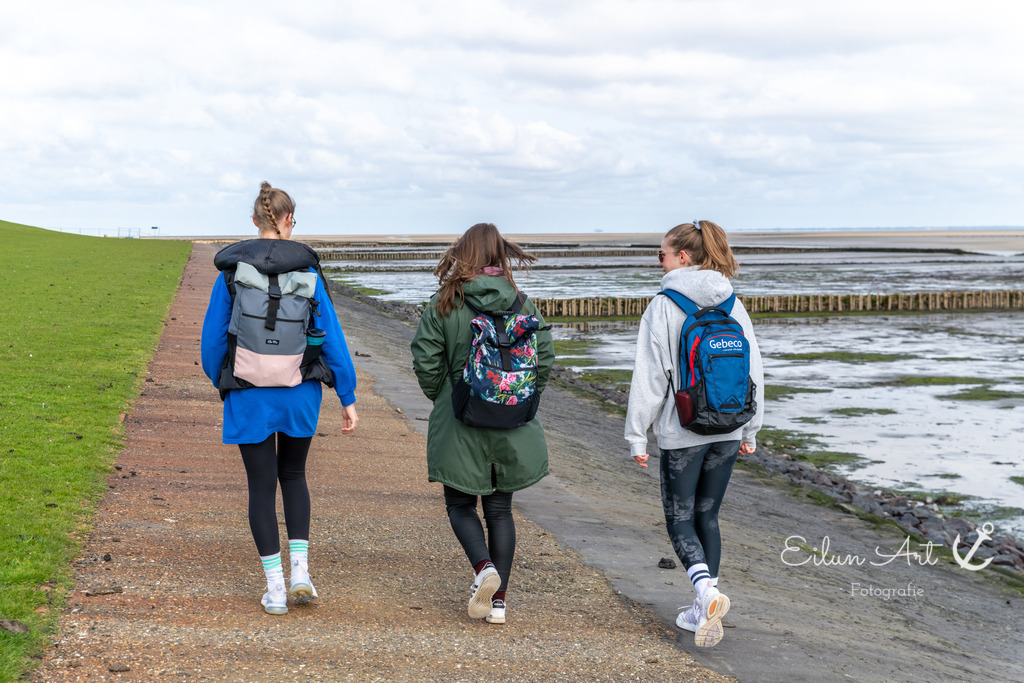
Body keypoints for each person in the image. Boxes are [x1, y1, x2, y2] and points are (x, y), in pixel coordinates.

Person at [201, 182, 358, 615]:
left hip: (249, 395)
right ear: (289, 222)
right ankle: (302, 573)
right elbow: (332, 340)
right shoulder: (308, 274)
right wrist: (346, 394)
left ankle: (274, 589)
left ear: (255, 221)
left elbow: (212, 343)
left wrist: (224, 381)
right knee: (294, 476)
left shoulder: (231, 274)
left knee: (260, 487)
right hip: (299, 393)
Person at [624, 220, 763, 647]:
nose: (659, 261)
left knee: (679, 518)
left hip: (683, 428)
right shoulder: (731, 300)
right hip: (729, 424)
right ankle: (704, 607)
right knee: (708, 516)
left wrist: (636, 435)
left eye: (661, 254)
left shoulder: (664, 305)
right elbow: (754, 368)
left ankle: (706, 594)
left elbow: (650, 378)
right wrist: (751, 428)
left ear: (683, 257)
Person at [410, 223, 554, 625]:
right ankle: (499, 603)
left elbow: (425, 361)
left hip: (461, 419)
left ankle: (483, 569)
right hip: (514, 420)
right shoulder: (523, 303)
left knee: (459, 504)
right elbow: (545, 356)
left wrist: (448, 396)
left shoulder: (445, 302)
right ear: (500, 254)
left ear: (464, 253)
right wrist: (524, 398)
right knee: (500, 510)